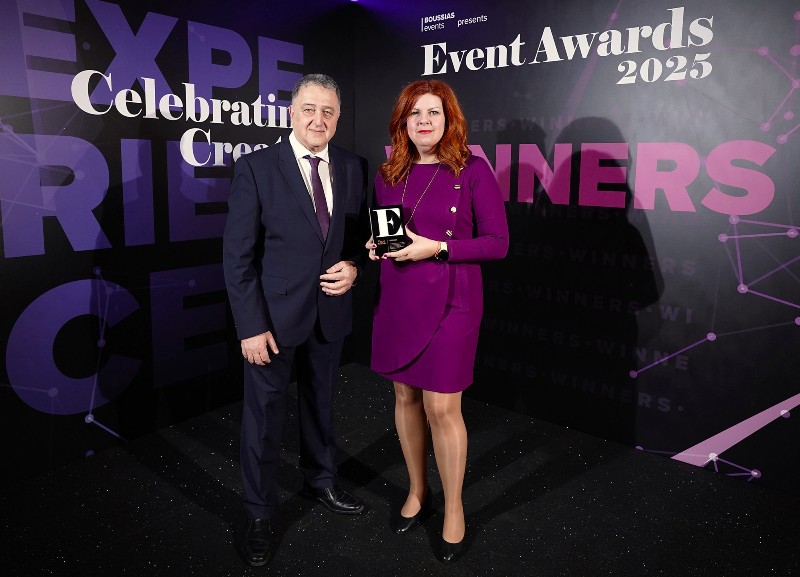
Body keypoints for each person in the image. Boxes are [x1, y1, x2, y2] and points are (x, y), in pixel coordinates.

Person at [223, 73, 369, 567]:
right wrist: (250, 326)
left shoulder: (353, 166)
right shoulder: (257, 168)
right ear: (291, 112)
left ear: (338, 118)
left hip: (329, 314)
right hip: (271, 322)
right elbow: (237, 258)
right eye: (309, 109)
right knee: (263, 421)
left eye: (328, 111)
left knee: (320, 406)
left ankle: (320, 481)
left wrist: (355, 267)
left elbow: (361, 240)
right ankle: (259, 514)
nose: (318, 119)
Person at [367, 79, 509, 563]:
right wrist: (377, 246)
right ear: (402, 122)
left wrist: (439, 247)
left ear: (449, 120)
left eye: (433, 112)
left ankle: (454, 508)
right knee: (405, 395)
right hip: (400, 296)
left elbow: (497, 243)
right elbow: (391, 233)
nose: (424, 121)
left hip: (453, 300)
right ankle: (417, 490)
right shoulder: (388, 172)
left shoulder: (473, 170)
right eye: (415, 113)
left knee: (442, 407)